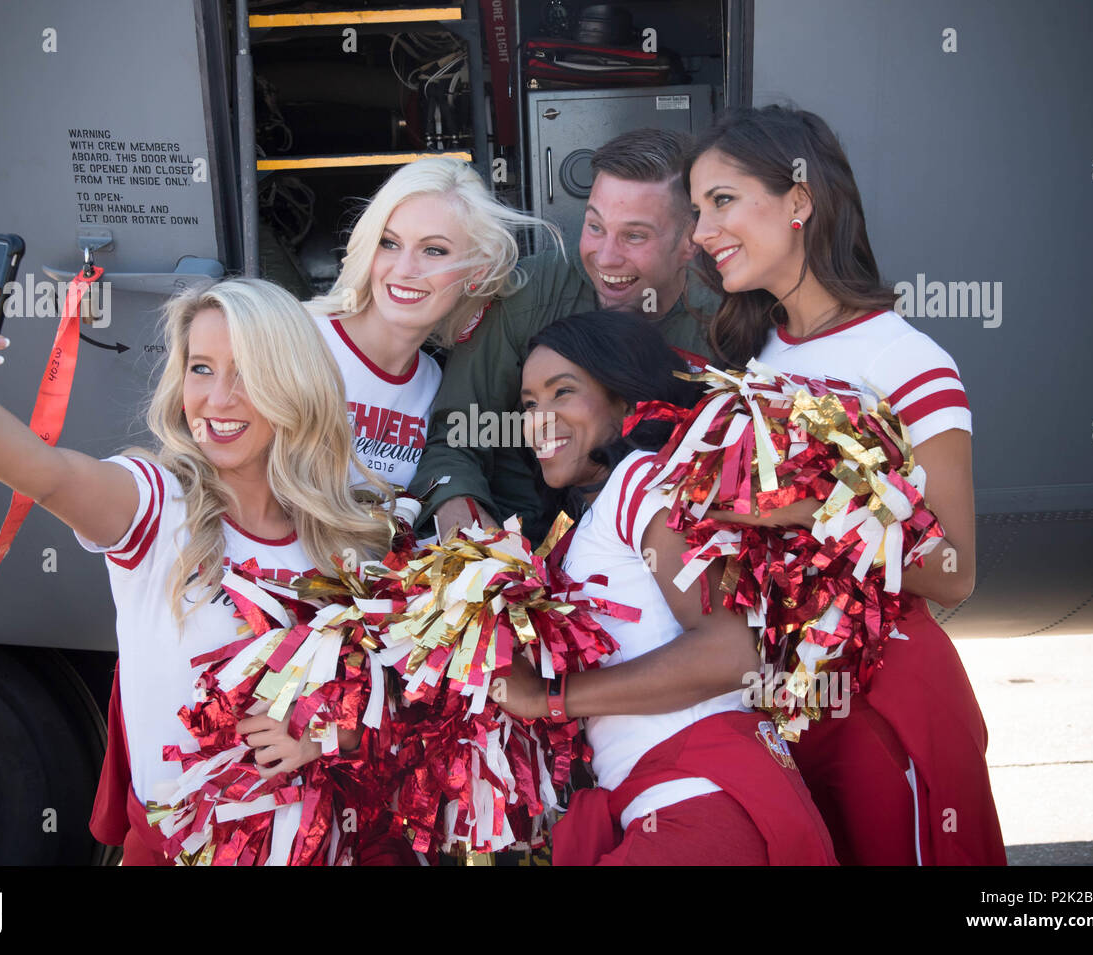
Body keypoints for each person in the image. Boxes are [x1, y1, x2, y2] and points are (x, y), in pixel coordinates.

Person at [0, 277, 408, 865]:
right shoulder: (157, 506)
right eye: (201, 368)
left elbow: (400, 697)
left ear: (295, 382)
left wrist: (327, 733)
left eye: (245, 372)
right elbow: (46, 473)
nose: (217, 399)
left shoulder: (347, 530)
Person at [686, 104, 1007, 865]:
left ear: (800, 200)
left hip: (883, 702)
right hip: (782, 707)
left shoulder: (908, 361)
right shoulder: (754, 354)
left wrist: (801, 508)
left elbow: (954, 572)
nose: (701, 230)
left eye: (722, 201)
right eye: (697, 209)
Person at [491, 310, 837, 866]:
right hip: (674, 800)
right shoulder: (588, 521)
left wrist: (547, 700)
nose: (538, 420)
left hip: (698, 801)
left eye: (563, 392)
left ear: (627, 404)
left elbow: (730, 654)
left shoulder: (641, 480)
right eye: (529, 403)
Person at [408, 129, 720, 542]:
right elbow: (459, 435)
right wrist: (470, 530)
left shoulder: (725, 321)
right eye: (595, 226)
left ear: (689, 242)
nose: (605, 256)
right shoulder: (528, 294)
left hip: (671, 540)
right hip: (525, 546)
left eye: (634, 235)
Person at [306, 156, 558, 491]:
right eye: (389, 243)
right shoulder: (296, 336)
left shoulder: (438, 385)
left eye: (434, 251)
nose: (405, 268)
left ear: (478, 270)